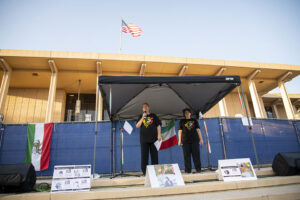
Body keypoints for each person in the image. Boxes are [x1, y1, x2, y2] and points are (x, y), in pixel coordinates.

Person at [136, 103, 162, 176]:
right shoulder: (140, 116)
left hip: (154, 139)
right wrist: (142, 118)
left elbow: (158, 125)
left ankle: (156, 171)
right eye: (143, 107)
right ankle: (145, 172)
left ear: (149, 108)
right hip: (144, 140)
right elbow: (137, 126)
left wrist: (159, 135)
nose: (145, 108)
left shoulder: (153, 115)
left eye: (146, 107)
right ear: (142, 109)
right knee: (144, 156)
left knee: (154, 156)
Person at [178, 108, 204, 173]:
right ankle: (188, 171)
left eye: (188, 112)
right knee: (186, 156)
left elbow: (198, 130)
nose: (186, 114)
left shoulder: (194, 120)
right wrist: (179, 140)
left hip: (194, 140)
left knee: (196, 156)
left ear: (190, 113)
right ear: (184, 114)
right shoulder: (182, 121)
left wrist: (201, 139)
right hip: (185, 141)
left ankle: (198, 170)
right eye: (185, 113)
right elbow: (179, 131)